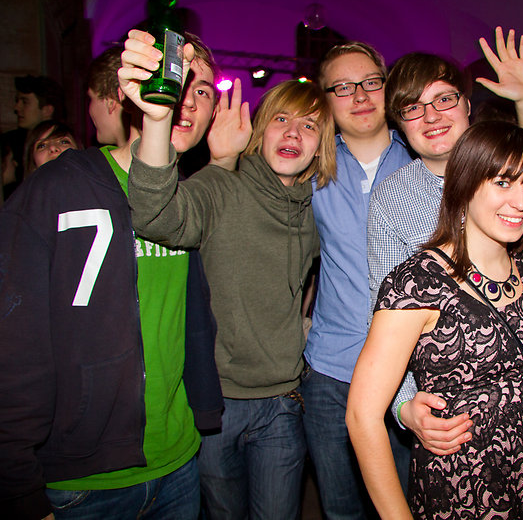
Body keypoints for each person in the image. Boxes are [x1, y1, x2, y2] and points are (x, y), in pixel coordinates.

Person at [0, 32, 225, 520]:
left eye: (204, 90)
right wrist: (19, 485)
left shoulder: (189, 201)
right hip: (82, 481)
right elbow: (15, 339)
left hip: (178, 463)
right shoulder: (60, 186)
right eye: (180, 82)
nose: (189, 100)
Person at [122, 29, 336, 519]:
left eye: (309, 126)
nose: (293, 134)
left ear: (321, 145)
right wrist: (163, 125)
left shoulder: (315, 209)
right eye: (281, 119)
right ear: (260, 129)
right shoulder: (223, 185)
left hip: (284, 402)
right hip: (216, 404)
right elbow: (154, 215)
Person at [370, 28, 523, 456]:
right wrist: (405, 405)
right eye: (412, 108)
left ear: (468, 105)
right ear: (399, 125)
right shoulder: (392, 197)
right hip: (458, 419)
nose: (431, 116)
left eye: (444, 99)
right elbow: (383, 309)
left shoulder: (519, 170)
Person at [348, 120, 523, 518]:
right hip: (464, 490)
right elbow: (361, 417)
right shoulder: (419, 282)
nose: (521, 201)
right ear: (465, 184)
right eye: (503, 183)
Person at [300, 40, 414, 517]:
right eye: (343, 87)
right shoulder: (309, 168)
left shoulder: (425, 160)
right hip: (333, 372)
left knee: (409, 506)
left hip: (413, 372)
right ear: (325, 100)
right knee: (341, 509)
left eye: (370, 82)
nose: (361, 96)